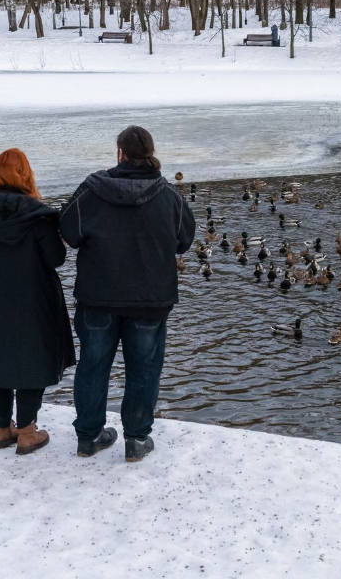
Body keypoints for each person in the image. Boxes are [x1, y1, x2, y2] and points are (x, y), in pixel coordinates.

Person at [61, 126, 195, 462]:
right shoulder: (169, 196)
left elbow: (68, 231)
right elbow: (184, 240)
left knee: (93, 365)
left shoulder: (91, 192)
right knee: (144, 369)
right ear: (150, 153)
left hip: (97, 297)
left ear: (120, 153)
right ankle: (136, 439)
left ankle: (89, 437)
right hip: (149, 300)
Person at [0, 148, 75, 455]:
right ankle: (26, 431)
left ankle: (2, 430)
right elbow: (56, 258)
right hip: (33, 299)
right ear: (26, 176)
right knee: (31, 359)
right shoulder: (37, 216)